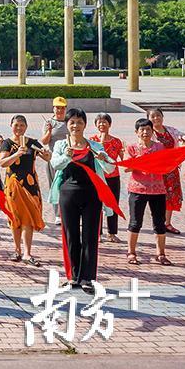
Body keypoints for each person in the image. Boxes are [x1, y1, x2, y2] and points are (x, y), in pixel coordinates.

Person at [48, 108, 114, 293]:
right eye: (72, 122)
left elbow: (110, 169)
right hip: (68, 195)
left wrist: (103, 158)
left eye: (79, 122)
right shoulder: (62, 145)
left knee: (91, 236)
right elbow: (55, 164)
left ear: (85, 124)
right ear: (67, 125)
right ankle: (72, 277)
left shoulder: (94, 145)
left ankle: (87, 278)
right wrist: (67, 155)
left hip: (92, 195)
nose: (75, 125)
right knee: (70, 235)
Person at [0, 115, 51, 266]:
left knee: (28, 218)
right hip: (13, 185)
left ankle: (27, 253)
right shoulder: (7, 144)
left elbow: (46, 157)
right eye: (16, 125)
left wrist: (47, 154)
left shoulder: (32, 142)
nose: (19, 128)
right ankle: (17, 250)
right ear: (11, 126)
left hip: (30, 185)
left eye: (22, 125)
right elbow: (2, 162)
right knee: (15, 218)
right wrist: (17, 154)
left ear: (26, 127)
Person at [125, 119, 169, 266]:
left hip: (158, 190)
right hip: (138, 189)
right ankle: (131, 253)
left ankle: (160, 254)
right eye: (142, 130)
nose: (145, 132)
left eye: (148, 129)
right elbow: (126, 167)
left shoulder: (160, 146)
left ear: (152, 131)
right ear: (136, 132)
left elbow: (165, 165)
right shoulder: (131, 148)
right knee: (135, 222)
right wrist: (138, 161)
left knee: (159, 223)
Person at [146, 107, 185, 234]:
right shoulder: (148, 132)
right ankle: (157, 222)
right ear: (148, 119)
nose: (156, 118)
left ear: (162, 116)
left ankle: (167, 223)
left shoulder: (170, 130)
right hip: (157, 171)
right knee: (157, 197)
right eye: (152, 116)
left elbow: (182, 135)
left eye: (158, 115)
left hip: (171, 170)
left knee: (170, 196)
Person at [91, 113, 124, 243]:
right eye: (99, 122)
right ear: (95, 125)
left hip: (113, 177)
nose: (102, 124)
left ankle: (112, 233)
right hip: (98, 176)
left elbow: (122, 157)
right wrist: (100, 142)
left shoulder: (116, 141)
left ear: (109, 124)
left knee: (113, 203)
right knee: (96, 205)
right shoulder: (92, 140)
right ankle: (97, 233)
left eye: (104, 122)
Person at [42, 96, 69, 225]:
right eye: (57, 107)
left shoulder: (69, 121)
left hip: (68, 159)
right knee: (55, 185)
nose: (59, 110)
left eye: (62, 108)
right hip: (53, 159)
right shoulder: (49, 122)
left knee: (68, 186)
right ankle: (58, 214)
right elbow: (44, 141)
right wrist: (49, 131)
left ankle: (68, 212)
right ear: (53, 108)